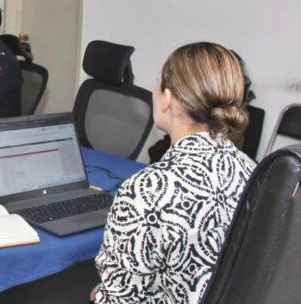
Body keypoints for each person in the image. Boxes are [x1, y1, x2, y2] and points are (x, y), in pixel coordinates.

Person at [91, 42, 256, 304]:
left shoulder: (146, 190)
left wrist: (102, 293)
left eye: (157, 85)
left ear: (167, 98)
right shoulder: (253, 171)